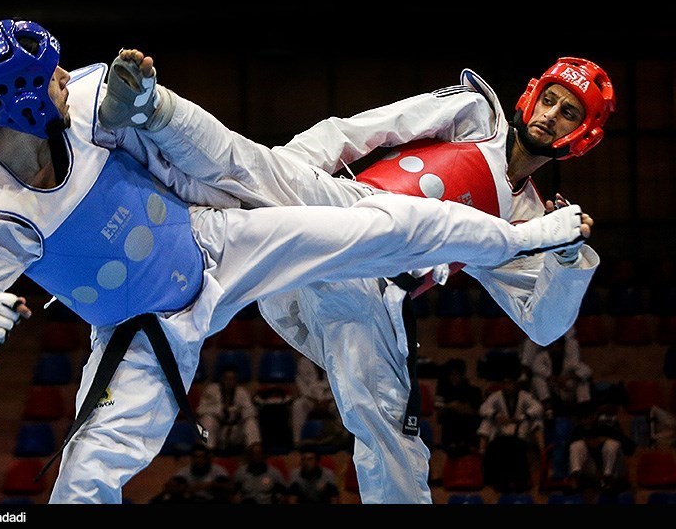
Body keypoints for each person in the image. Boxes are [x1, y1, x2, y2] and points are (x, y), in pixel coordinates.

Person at [0, 20, 583, 504]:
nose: (67, 75)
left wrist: (563, 257)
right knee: (86, 476)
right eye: (51, 74)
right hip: (147, 326)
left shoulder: (92, 93)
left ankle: (521, 240)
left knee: (390, 230)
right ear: (24, 99)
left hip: (221, 244)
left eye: (569, 112)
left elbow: (200, 153)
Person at [112, 50, 614, 502]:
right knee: (246, 174)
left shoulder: (530, 223)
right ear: (531, 95)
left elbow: (543, 325)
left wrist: (566, 261)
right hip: (348, 211)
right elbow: (360, 130)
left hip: (370, 295)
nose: (550, 115)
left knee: (389, 430)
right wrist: (292, 172)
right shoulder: (475, 114)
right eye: (550, 99)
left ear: (582, 137)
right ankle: (145, 111)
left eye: (568, 113)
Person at [477, 366, 546, 492]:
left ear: (516, 384)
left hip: (520, 434)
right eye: (505, 383)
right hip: (501, 433)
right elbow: (483, 409)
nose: (507, 386)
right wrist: (496, 416)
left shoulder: (525, 396)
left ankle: (542, 452)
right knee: (486, 421)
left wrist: (522, 417)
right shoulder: (496, 396)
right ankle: (482, 454)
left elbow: (539, 408)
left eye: (510, 383)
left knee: (536, 420)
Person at [520, 327, 593, 419]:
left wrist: (568, 377)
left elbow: (587, 370)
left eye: (558, 346)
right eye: (554, 346)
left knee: (583, 382)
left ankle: (583, 410)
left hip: (567, 388)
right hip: (551, 388)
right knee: (537, 379)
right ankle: (548, 408)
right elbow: (535, 366)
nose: (555, 349)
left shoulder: (570, 359)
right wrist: (552, 377)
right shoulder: (542, 356)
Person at [195, 365, 261, 456]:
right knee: (208, 420)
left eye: (232, 379)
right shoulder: (211, 390)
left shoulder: (241, 392)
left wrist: (239, 412)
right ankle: (208, 453)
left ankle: (255, 453)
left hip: (236, 430)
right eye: (227, 378)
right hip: (218, 431)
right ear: (221, 379)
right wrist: (221, 409)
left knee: (251, 422)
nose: (230, 382)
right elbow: (200, 410)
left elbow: (252, 411)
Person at [291, 355, 345, 447]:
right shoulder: (304, 362)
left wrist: (328, 399)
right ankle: (297, 442)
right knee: (298, 405)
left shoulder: (332, 358)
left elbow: (338, 383)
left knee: (343, 406)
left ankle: (343, 438)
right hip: (311, 399)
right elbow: (300, 382)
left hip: (330, 400)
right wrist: (314, 400)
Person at [434, 358, 483, 457]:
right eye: (451, 374)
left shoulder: (473, 391)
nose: (453, 377)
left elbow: (478, 412)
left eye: (456, 374)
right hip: (449, 424)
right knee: (450, 415)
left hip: (467, 424)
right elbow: (439, 412)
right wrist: (450, 406)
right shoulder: (443, 389)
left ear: (462, 375)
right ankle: (451, 445)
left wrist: (461, 408)